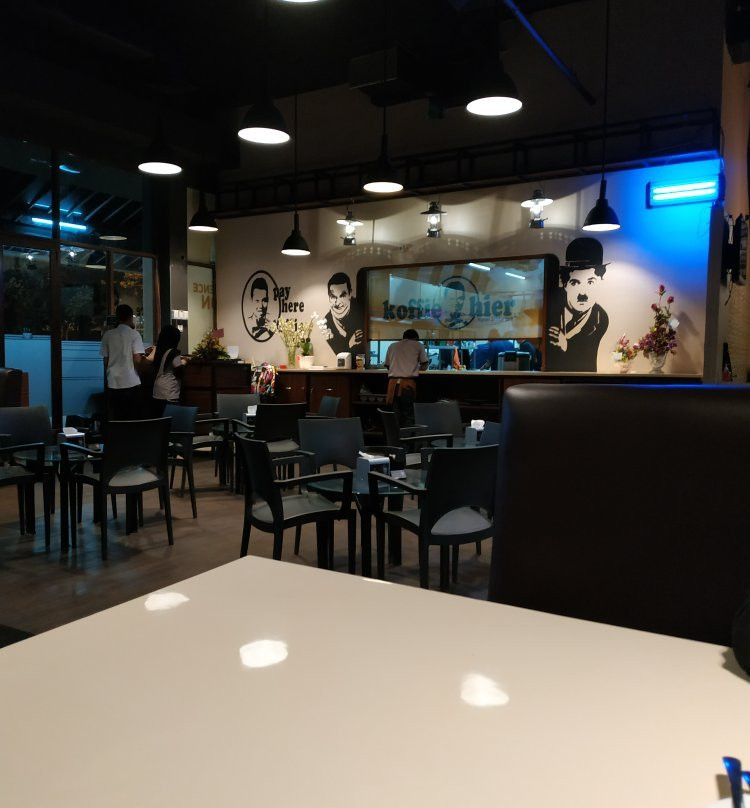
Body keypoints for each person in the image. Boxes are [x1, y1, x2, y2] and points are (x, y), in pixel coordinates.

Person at [546, 237, 609, 371]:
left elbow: (585, 356)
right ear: (565, 285)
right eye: (575, 283)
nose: (583, 294)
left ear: (600, 282)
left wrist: (564, 344)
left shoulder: (600, 318)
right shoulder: (549, 305)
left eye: (590, 282)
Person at [100, 303, 148, 420]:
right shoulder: (134, 334)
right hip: (131, 382)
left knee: (116, 417)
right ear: (131, 317)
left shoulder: (107, 335)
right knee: (131, 418)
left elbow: (105, 361)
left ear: (117, 317)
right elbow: (137, 360)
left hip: (113, 382)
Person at [384, 328, 428, 425]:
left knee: (394, 414)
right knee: (408, 414)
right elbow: (424, 365)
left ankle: (394, 434)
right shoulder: (418, 345)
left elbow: (387, 365)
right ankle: (407, 433)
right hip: (408, 385)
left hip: (392, 385)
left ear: (403, 337)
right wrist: (415, 367)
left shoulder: (392, 346)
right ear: (415, 338)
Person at [324, 272, 364, 357]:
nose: (337, 303)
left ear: (350, 294)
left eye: (342, 295)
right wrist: (350, 344)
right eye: (333, 296)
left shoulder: (361, 312)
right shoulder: (325, 324)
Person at [151, 325, 186, 416]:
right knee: (172, 422)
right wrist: (183, 362)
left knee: (160, 421)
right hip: (169, 392)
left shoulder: (159, 351)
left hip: (157, 392)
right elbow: (179, 371)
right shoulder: (173, 353)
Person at [246, 277, 271, 341]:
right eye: (257, 301)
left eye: (264, 301)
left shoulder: (270, 327)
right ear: (251, 300)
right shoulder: (247, 323)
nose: (260, 306)